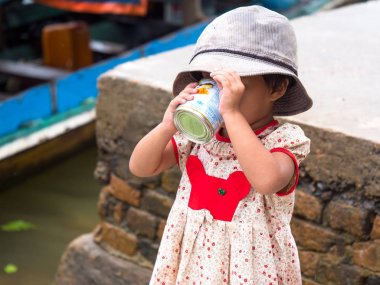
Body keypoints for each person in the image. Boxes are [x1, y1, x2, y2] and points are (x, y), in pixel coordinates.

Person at [129, 5, 312, 285]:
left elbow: (266, 180)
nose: (221, 98)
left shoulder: (284, 140)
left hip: (251, 271)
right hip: (193, 264)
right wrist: (167, 125)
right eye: (211, 84)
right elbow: (141, 167)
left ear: (276, 89)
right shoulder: (200, 136)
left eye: (234, 88)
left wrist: (232, 113)